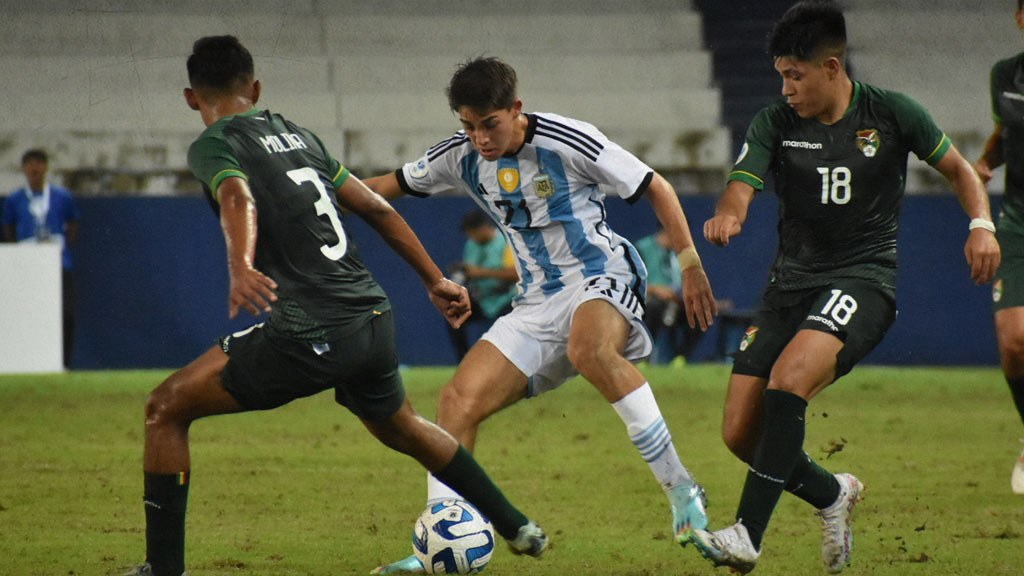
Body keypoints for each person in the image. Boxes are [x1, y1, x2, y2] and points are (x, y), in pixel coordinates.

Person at [124, 36, 548, 576]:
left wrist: (238, 266)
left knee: (165, 408)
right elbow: (375, 207)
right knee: (405, 427)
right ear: (254, 89)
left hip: (312, 327)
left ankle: (163, 570)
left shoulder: (215, 142)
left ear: (192, 98)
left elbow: (236, 195)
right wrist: (434, 279)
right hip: (373, 316)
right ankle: (516, 526)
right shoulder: (297, 135)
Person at [364, 56, 719, 574]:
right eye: (468, 125)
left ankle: (681, 487)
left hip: (602, 277)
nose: (480, 138)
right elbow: (380, 188)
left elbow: (656, 186)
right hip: (535, 303)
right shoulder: (459, 156)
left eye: (489, 123)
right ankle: (440, 545)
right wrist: (315, 187)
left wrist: (690, 265)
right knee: (456, 401)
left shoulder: (568, 140)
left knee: (590, 349)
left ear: (516, 109)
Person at [692, 2, 1001, 574]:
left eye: (796, 75)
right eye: (781, 75)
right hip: (790, 288)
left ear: (832, 68)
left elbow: (960, 171)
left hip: (864, 281)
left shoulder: (892, 113)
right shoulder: (775, 124)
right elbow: (742, 182)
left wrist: (981, 225)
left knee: (788, 383)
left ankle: (746, 536)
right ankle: (833, 494)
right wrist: (730, 215)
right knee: (741, 433)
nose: (786, 88)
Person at [974, 0, 1024, 496]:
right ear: (1020, 18)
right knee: (1013, 342)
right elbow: (1005, 134)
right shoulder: (1005, 75)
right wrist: (986, 162)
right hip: (1017, 218)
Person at [2, 148, 80, 368]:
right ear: (23, 169)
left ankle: (63, 363)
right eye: (29, 163)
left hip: (58, 264)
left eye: (38, 163)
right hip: (27, 266)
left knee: (65, 315)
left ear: (45, 167)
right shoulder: (15, 200)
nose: (34, 167)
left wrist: (61, 248)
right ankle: (26, 362)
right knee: (26, 314)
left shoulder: (61, 196)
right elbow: (9, 228)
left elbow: (73, 224)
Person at [446, 209, 517, 361]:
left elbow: (515, 274)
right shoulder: (471, 245)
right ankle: (463, 361)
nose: (471, 237)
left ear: (483, 227)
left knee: (494, 340)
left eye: (473, 232)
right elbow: (469, 272)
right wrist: (460, 275)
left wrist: (480, 273)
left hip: (506, 299)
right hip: (483, 298)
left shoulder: (505, 241)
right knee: (454, 314)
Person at [634, 225, 705, 364]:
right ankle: (643, 358)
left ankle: (681, 359)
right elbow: (631, 282)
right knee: (655, 306)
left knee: (699, 310)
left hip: (675, 300)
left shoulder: (681, 253)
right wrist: (655, 289)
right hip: (649, 299)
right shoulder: (642, 248)